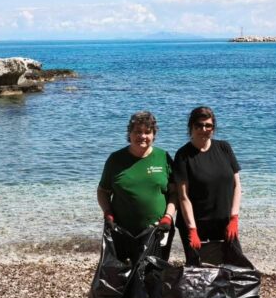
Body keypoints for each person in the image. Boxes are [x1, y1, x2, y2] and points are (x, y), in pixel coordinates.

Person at [97, 111, 176, 263]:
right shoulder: (115, 159)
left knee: (154, 272)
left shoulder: (163, 157)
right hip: (121, 231)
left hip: (157, 230)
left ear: (154, 134)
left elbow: (174, 193)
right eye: (137, 131)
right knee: (121, 273)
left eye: (147, 132)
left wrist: (168, 217)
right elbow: (102, 191)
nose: (142, 136)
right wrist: (108, 213)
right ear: (130, 133)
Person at [174, 106, 242, 265]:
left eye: (208, 125)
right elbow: (183, 197)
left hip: (225, 222)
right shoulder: (183, 155)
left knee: (234, 267)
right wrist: (192, 229)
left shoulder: (224, 148)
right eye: (198, 125)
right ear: (191, 127)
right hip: (196, 225)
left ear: (213, 128)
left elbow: (237, 186)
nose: (203, 129)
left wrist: (234, 217)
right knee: (199, 272)